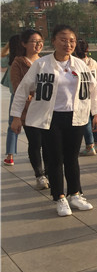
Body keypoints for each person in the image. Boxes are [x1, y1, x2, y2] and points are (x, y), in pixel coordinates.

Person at [11, 25, 97, 216]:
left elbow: (93, 90)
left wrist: (96, 114)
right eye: (63, 40)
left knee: (72, 158)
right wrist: (16, 116)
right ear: (53, 41)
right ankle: (59, 197)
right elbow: (22, 90)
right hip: (51, 118)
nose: (68, 44)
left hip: (75, 118)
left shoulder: (80, 65)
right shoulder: (41, 65)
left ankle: (75, 194)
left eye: (72, 40)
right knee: (55, 159)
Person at [10, 30, 51, 190]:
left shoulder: (46, 62)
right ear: (24, 44)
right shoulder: (18, 63)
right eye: (34, 41)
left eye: (40, 41)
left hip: (46, 110)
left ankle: (49, 173)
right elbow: (18, 88)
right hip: (29, 111)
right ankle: (39, 175)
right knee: (35, 143)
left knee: (48, 143)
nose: (38, 44)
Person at [75, 39, 97, 156]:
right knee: (95, 118)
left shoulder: (75, 63)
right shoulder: (93, 63)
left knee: (86, 121)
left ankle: (89, 145)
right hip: (94, 95)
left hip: (82, 97)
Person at [2, 35, 22, 167]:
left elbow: (1, 58)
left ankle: (10, 156)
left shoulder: (9, 60)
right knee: (34, 126)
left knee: (12, 126)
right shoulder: (27, 59)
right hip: (30, 97)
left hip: (15, 97)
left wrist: (8, 47)